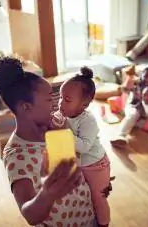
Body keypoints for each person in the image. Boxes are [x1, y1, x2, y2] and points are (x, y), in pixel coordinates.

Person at [0, 57, 95, 227]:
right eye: (49, 99)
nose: (56, 104)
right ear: (26, 108)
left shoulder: (53, 127)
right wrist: (47, 194)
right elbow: (29, 215)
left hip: (89, 218)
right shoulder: (17, 155)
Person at [51, 67, 111, 227]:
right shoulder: (63, 114)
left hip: (96, 165)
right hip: (80, 164)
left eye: (67, 100)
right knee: (84, 196)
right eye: (61, 97)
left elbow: (84, 147)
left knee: (98, 197)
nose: (61, 103)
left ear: (83, 105)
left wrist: (64, 130)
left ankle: (104, 223)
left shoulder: (88, 121)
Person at [110, 67, 148, 148]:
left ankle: (132, 124)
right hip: (134, 106)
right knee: (133, 114)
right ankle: (120, 136)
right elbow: (124, 89)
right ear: (141, 76)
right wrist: (129, 82)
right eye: (146, 76)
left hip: (147, 110)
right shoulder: (136, 83)